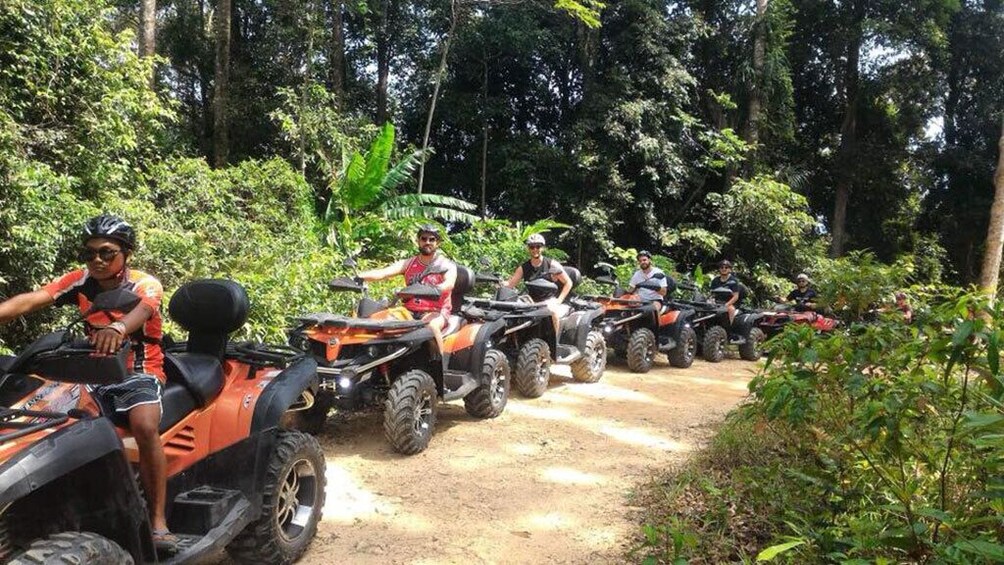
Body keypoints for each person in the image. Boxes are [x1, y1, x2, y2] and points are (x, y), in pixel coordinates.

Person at [0, 215, 176, 552]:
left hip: (137, 373)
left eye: (107, 253)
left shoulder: (145, 284)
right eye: (90, 253)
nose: (97, 260)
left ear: (126, 253)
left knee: (144, 426)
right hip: (91, 373)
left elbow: (142, 311)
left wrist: (119, 328)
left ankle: (157, 522)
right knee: (44, 421)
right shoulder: (81, 281)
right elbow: (34, 299)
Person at [357, 224, 458, 333]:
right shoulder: (408, 263)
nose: (427, 242)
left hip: (436, 311)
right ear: (418, 241)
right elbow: (383, 273)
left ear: (437, 243)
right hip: (408, 310)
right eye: (423, 239)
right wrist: (358, 277)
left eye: (432, 239)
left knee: (431, 328)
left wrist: (434, 289)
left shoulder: (446, 265)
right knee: (381, 323)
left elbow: (449, 284)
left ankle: (439, 351)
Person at [504, 233, 573, 312]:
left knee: (551, 311)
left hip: (549, 300)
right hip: (530, 301)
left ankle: (556, 325)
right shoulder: (523, 268)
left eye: (538, 246)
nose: (535, 249)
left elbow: (568, 282)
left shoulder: (551, 264)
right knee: (513, 309)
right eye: (532, 247)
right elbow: (511, 284)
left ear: (542, 248)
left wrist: (559, 300)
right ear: (528, 249)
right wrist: (500, 284)